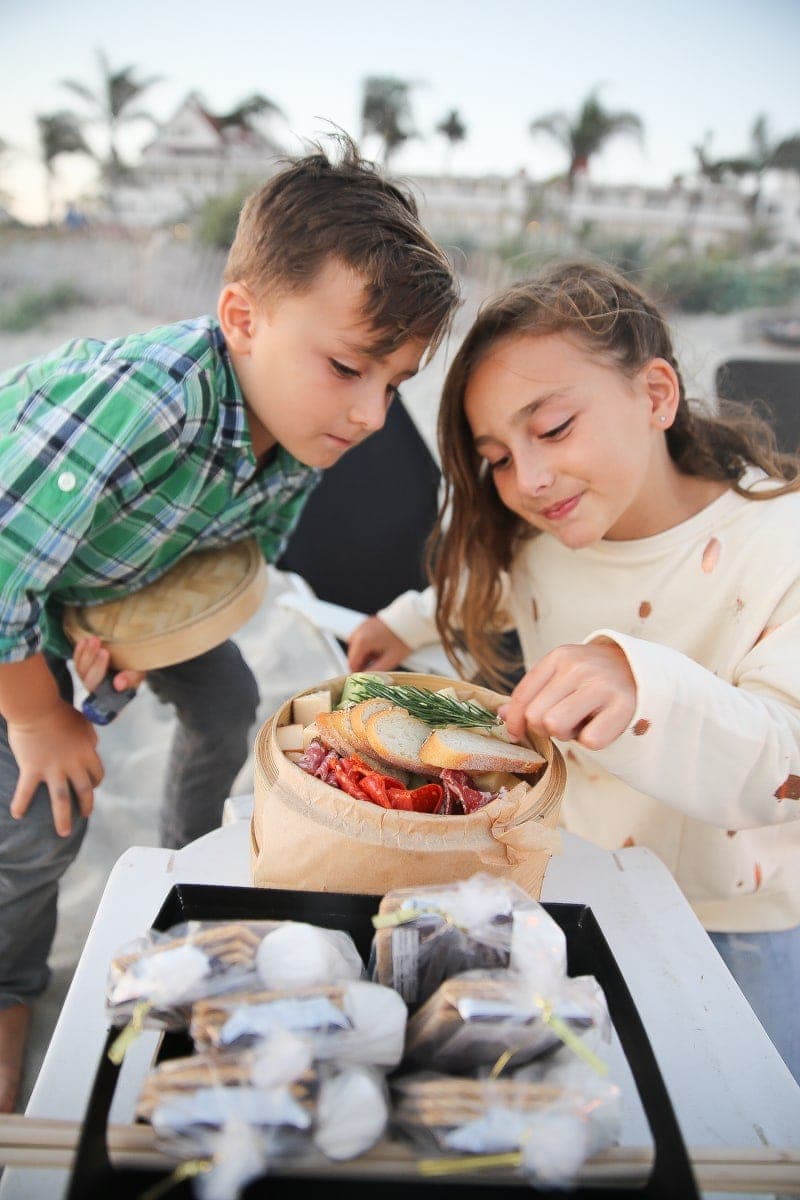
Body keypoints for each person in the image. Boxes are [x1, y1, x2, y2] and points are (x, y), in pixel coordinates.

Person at [0, 135, 459, 1112]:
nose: (373, 416)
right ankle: (5, 988)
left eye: (393, 383)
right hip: (17, 582)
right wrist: (44, 715)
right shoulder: (142, 402)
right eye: (346, 367)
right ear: (241, 317)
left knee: (230, 701)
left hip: (115, 579)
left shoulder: (298, 434)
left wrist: (128, 639)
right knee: (43, 815)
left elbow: (221, 562)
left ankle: (183, 879)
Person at [347, 259, 800, 1084]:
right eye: (498, 457)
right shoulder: (540, 542)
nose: (530, 479)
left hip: (736, 924)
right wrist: (398, 622)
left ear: (657, 395)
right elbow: (482, 590)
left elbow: (786, 761)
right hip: (572, 894)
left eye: (552, 428)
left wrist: (638, 686)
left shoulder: (780, 544)